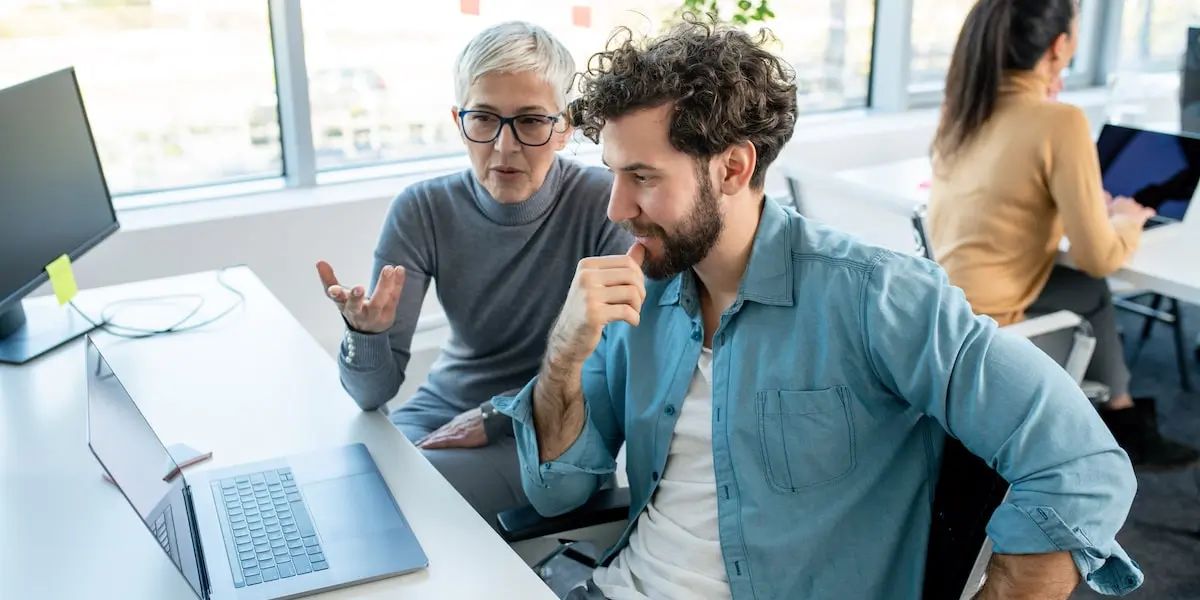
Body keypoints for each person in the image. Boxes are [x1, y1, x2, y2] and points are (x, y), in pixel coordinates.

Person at [493, 15, 1142, 600]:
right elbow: (559, 493)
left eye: (643, 177)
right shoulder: (639, 297)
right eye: (613, 174)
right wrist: (564, 356)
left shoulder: (876, 296)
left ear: (733, 168)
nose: (615, 208)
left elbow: (1080, 464)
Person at [315, 21, 632, 529]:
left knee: (394, 499)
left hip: (551, 427)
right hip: (445, 403)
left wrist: (496, 415)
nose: (505, 148)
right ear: (459, 119)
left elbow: (611, 374)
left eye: (530, 121)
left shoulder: (605, 204)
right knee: (343, 477)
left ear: (565, 126)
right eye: (484, 118)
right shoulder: (423, 209)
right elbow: (371, 393)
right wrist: (366, 335)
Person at [925, 0, 1199, 470]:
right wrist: (1126, 219)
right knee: (1091, 279)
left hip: (945, 311)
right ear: (1059, 46)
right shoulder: (1059, 122)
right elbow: (1099, 256)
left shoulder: (965, 107)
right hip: (997, 327)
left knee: (1082, 288)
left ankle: (1122, 413)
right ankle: (1121, 422)